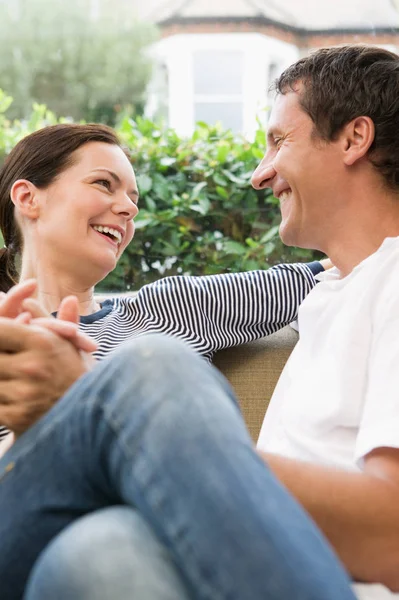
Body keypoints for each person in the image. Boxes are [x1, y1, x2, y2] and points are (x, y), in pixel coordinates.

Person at [2, 41, 398, 600]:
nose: (258, 176)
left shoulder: (162, 311)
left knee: (151, 370)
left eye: (278, 141)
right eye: (103, 184)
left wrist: (91, 402)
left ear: (356, 139)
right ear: (28, 198)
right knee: (97, 551)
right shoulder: (334, 293)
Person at [0, 122, 326, 450]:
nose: (130, 209)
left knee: (158, 357)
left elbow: (332, 269)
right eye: (103, 184)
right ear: (28, 198)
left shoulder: (171, 307)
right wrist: (33, 422)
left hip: (164, 490)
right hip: (42, 489)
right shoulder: (6, 336)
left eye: (132, 197)